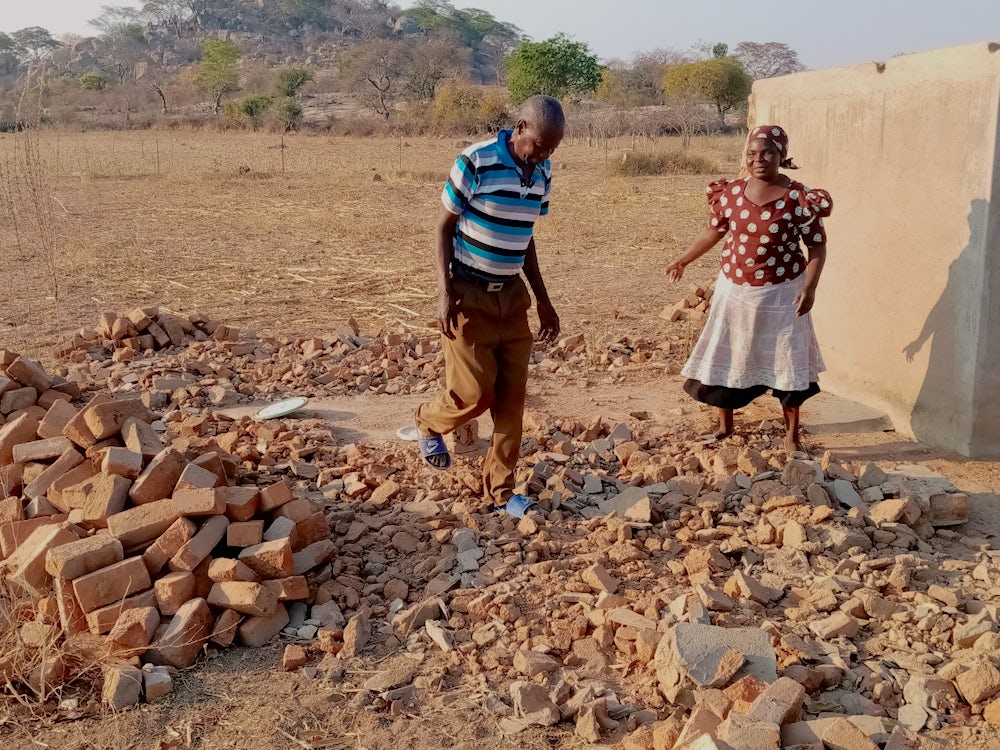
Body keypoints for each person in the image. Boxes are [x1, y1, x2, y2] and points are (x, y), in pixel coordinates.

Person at [405, 95, 564, 518]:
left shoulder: (543, 170)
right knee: (475, 394)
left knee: (512, 404)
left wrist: (544, 301)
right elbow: (442, 227)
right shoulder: (475, 160)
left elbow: (524, 237)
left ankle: (501, 492)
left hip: (512, 298)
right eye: (540, 146)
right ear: (520, 127)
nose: (544, 156)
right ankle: (428, 421)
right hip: (467, 294)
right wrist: (443, 291)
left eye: (552, 149)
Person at [665, 125, 832, 453]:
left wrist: (810, 288)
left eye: (767, 152)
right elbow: (713, 233)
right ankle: (725, 428)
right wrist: (683, 259)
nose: (759, 159)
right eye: (752, 153)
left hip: (784, 293)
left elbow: (817, 246)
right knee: (728, 355)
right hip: (735, 291)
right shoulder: (730, 193)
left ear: (781, 155)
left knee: (787, 362)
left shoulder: (800, 198)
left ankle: (791, 436)